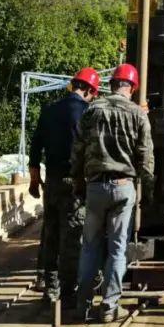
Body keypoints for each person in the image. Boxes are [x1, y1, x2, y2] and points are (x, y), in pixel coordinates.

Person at [71, 62, 154, 323]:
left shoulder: (92, 110)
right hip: (123, 187)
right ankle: (109, 307)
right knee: (117, 250)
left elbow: (77, 150)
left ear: (112, 85)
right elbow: (146, 156)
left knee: (90, 248)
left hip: (95, 187)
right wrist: (148, 189)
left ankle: (82, 305)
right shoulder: (138, 114)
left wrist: (78, 182)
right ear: (132, 87)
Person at [28, 67, 100, 306]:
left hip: (51, 183)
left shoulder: (49, 111)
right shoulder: (87, 114)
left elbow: (35, 147)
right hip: (74, 183)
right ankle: (68, 293)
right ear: (90, 90)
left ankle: (50, 289)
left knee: (51, 234)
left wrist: (34, 179)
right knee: (72, 239)